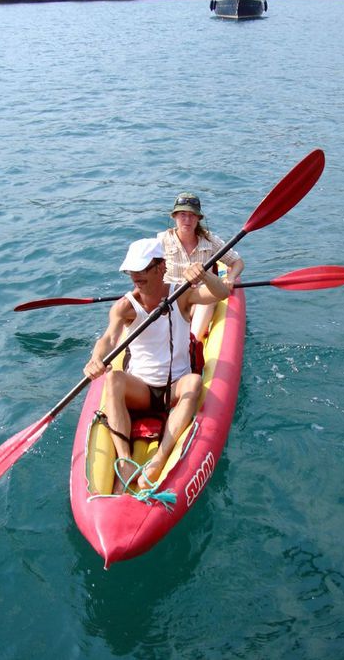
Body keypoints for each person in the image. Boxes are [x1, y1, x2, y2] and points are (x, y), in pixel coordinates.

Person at [83, 238, 229, 492]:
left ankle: (159, 459)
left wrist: (204, 275)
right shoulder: (125, 307)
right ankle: (126, 460)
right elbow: (107, 339)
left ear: (161, 266)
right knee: (114, 379)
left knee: (194, 382)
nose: (135, 277)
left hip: (175, 387)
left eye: (142, 270)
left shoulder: (181, 295)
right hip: (140, 389)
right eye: (131, 271)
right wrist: (96, 359)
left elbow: (221, 293)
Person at [157, 192, 244, 339]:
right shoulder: (162, 240)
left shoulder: (208, 239)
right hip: (174, 298)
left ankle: (193, 342)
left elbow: (237, 262)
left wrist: (230, 277)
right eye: (183, 214)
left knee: (207, 300)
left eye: (192, 215)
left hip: (201, 298)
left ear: (198, 218)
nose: (187, 220)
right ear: (175, 216)